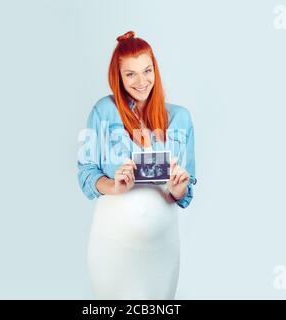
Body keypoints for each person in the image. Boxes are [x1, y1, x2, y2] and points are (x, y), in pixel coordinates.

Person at [77, 31, 197, 299]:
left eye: (147, 70)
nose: (141, 81)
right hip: (111, 244)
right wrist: (114, 186)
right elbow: (85, 172)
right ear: (117, 77)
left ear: (156, 70)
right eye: (130, 74)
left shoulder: (181, 118)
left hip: (162, 249)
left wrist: (179, 188)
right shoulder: (102, 112)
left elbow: (185, 194)